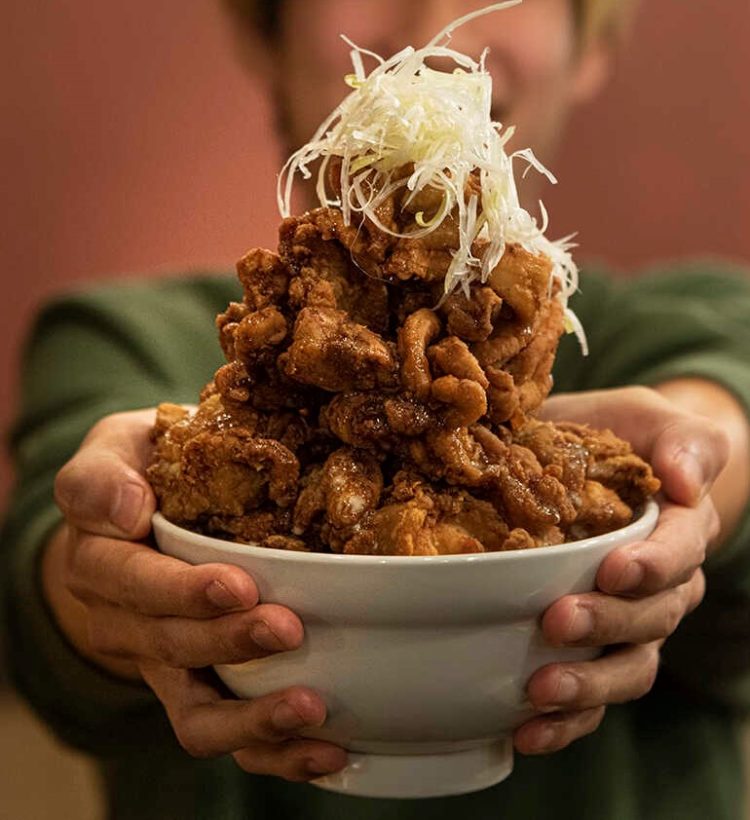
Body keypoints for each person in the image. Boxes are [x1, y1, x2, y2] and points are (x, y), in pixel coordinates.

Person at [3, 1, 750, 818]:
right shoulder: (118, 333)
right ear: (267, 32)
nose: (435, 28)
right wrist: (102, 577)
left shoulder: (683, 309)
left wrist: (696, 477)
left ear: (591, 45)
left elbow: (720, 394)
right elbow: (42, 573)